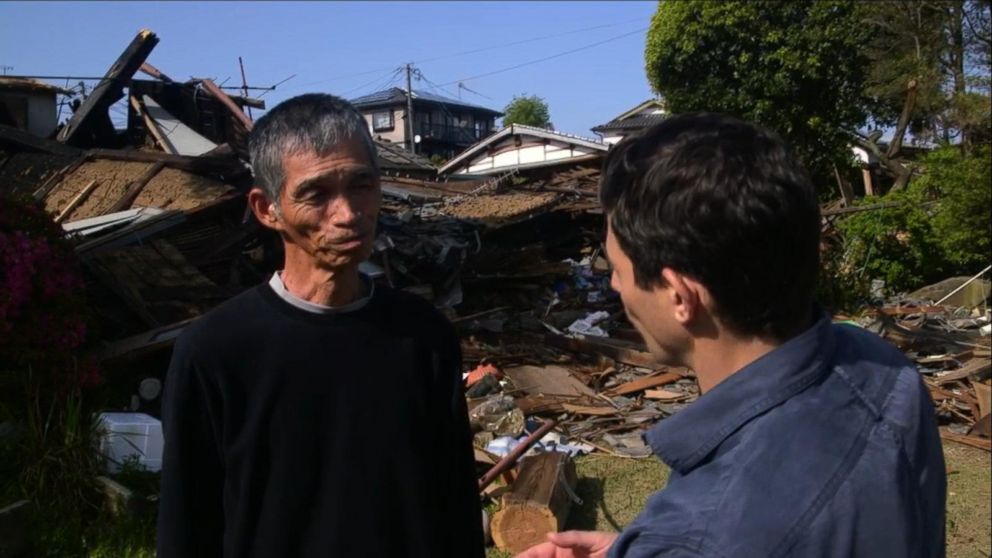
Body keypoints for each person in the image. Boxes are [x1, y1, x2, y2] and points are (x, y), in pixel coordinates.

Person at [518, 113, 946, 558]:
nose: (614, 286)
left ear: (679, 296)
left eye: (618, 270)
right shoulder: (885, 370)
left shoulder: (704, 533)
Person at [157, 93, 484, 558]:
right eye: (316, 193)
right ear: (267, 209)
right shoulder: (215, 353)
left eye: (361, 185)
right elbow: (187, 526)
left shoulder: (422, 336)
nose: (347, 213)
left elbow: (454, 506)